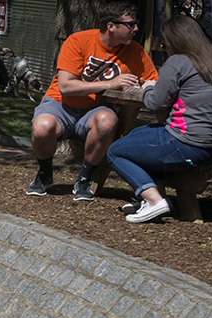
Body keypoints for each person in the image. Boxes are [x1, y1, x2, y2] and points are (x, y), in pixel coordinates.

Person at [106, 15, 212, 223]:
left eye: (165, 41)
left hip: (187, 142)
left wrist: (145, 90)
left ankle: (153, 200)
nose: (164, 45)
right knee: (139, 136)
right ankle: (146, 197)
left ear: (174, 40)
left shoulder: (178, 62)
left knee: (116, 151)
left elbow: (155, 103)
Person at [27, 1, 158, 202]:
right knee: (42, 126)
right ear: (111, 26)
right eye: (130, 24)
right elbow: (66, 86)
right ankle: (44, 174)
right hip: (60, 104)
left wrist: (146, 86)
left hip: (95, 111)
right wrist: (110, 83)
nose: (136, 29)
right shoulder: (78, 41)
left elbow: (153, 81)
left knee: (107, 120)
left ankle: (85, 178)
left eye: (135, 23)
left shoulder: (136, 51)